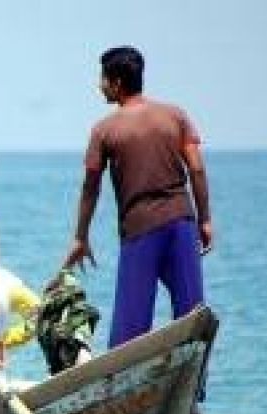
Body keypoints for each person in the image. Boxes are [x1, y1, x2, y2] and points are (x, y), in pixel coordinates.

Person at [63, 46, 213, 350]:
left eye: (103, 79)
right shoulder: (176, 116)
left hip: (141, 229)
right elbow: (196, 168)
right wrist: (205, 218)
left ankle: (123, 391)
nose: (99, 86)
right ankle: (194, 389)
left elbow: (90, 187)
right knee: (192, 314)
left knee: (129, 330)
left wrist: (80, 237)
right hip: (182, 221)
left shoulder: (104, 130)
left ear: (116, 83)